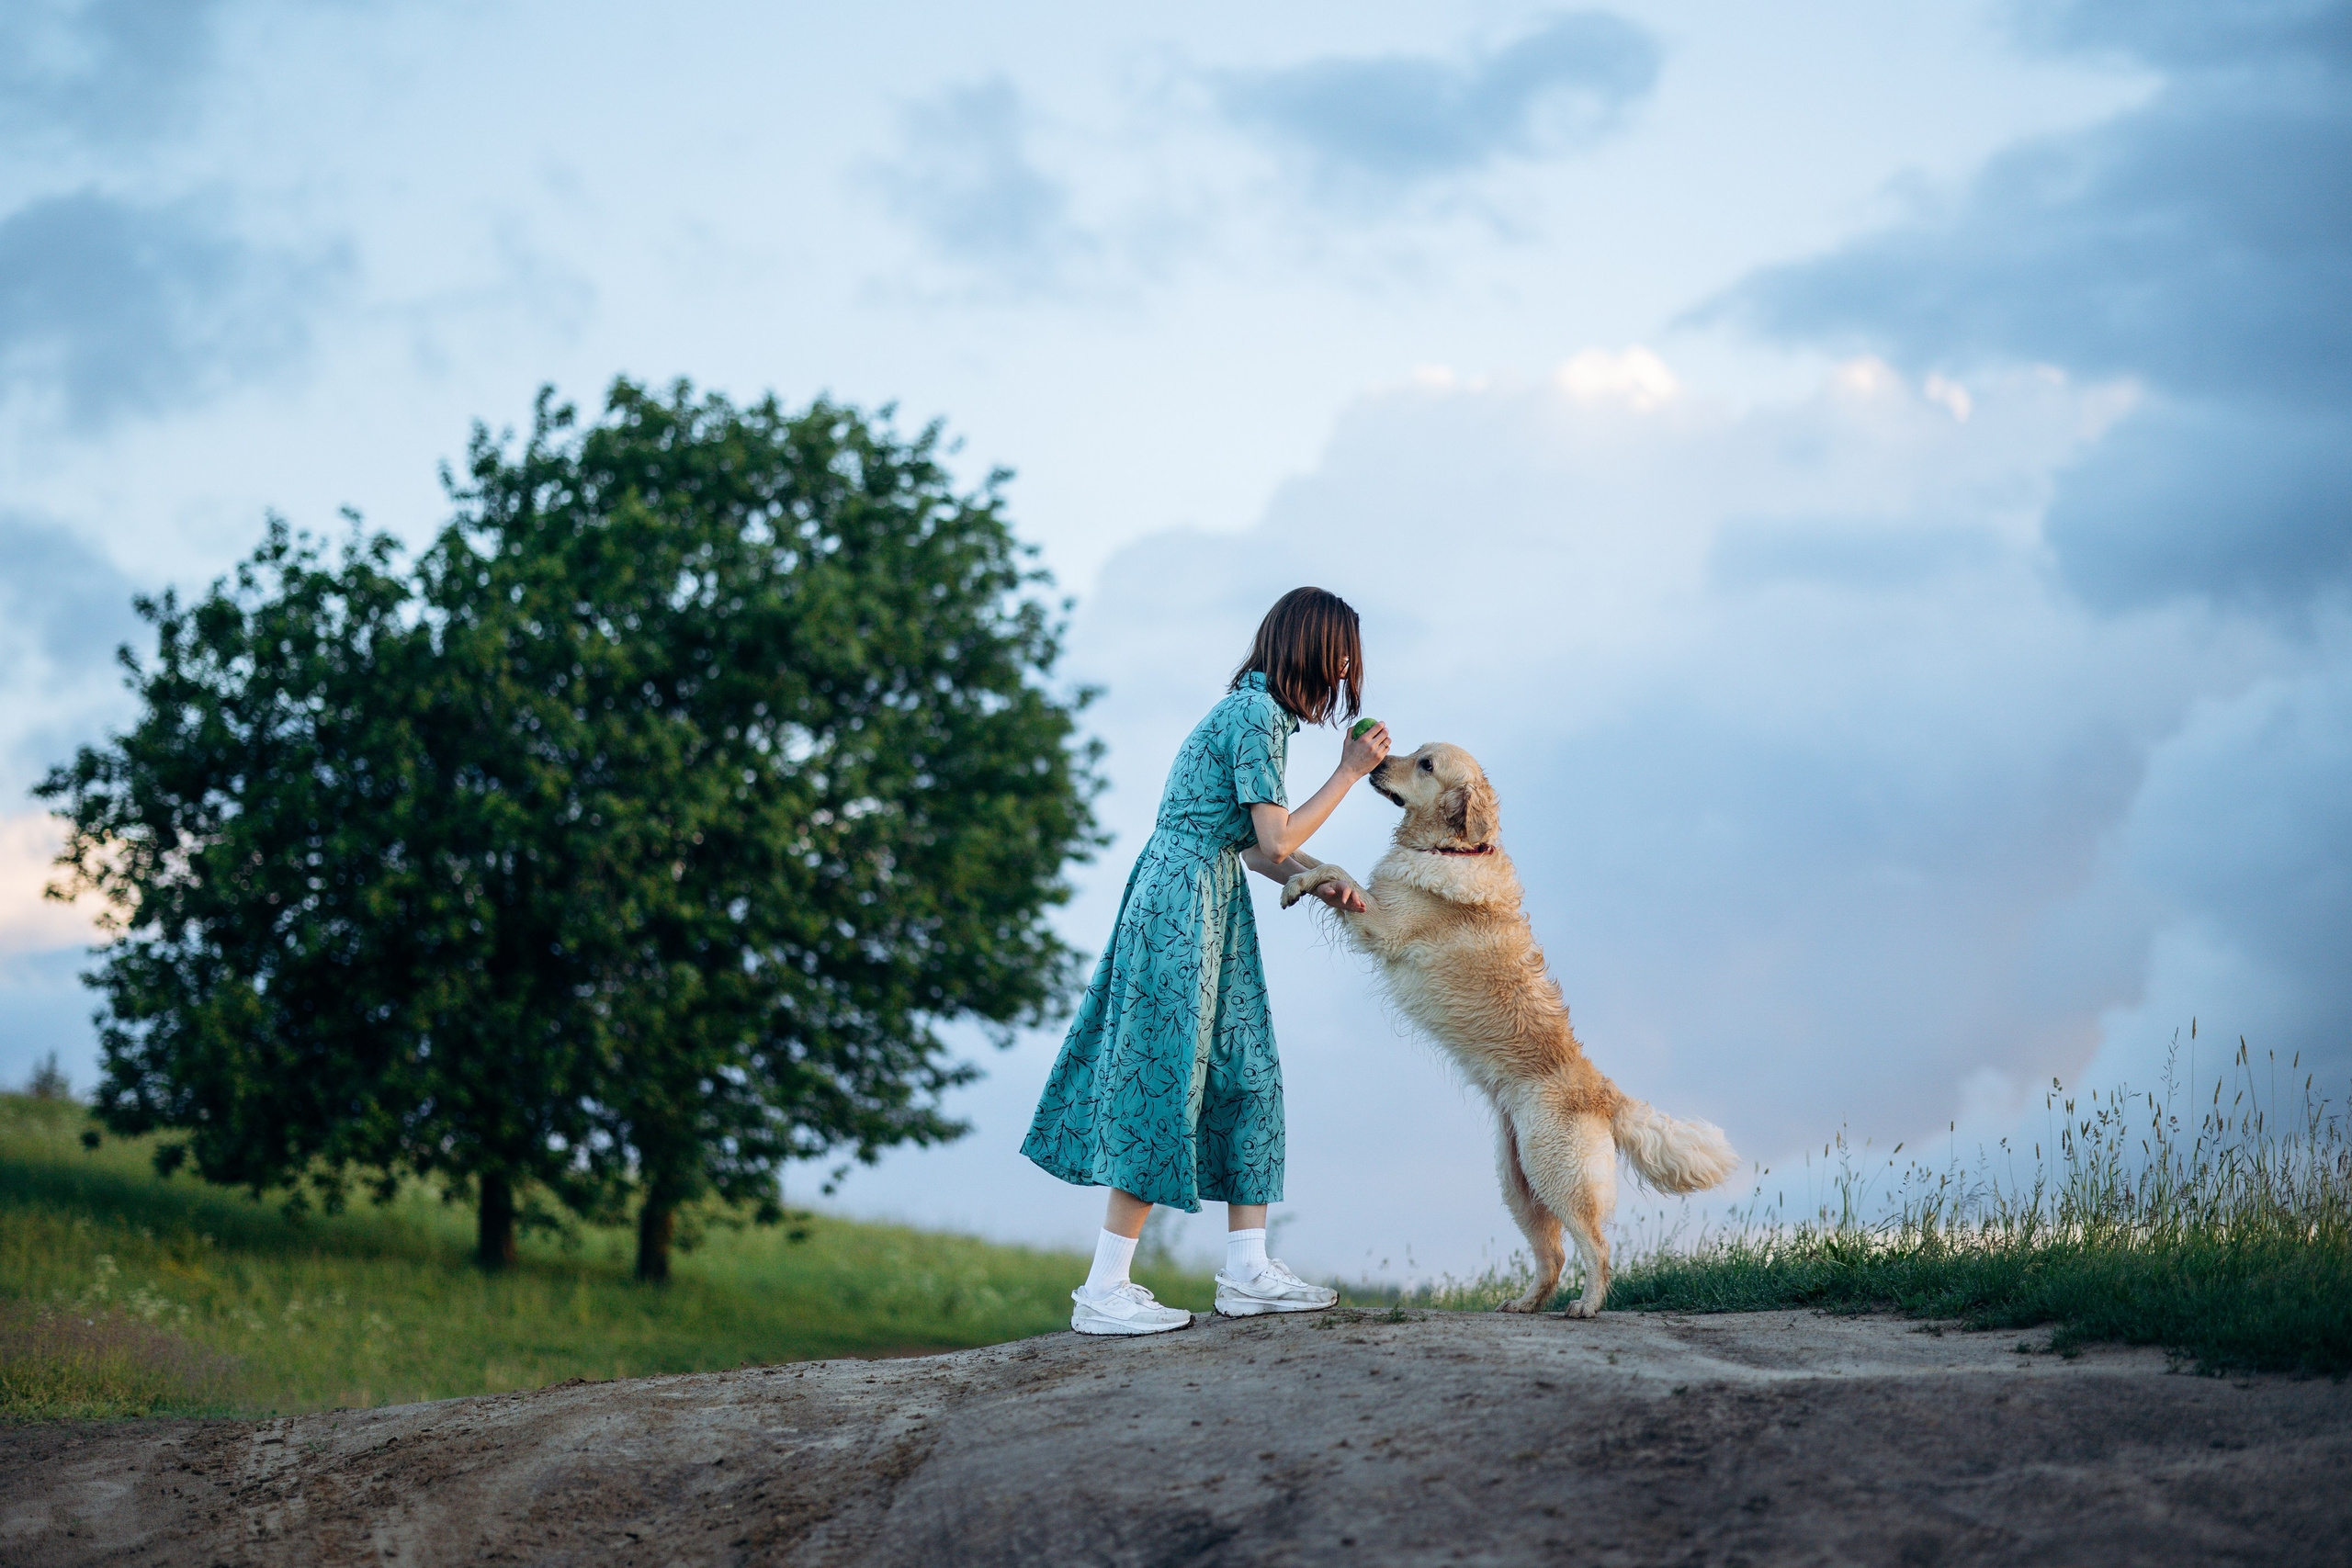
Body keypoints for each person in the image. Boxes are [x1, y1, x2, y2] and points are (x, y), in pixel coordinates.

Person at [1021, 587, 1392, 1334]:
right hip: (1180, 904)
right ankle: (1103, 1288)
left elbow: (1257, 850)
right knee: (1166, 1077)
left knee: (1245, 1072)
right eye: (1342, 654)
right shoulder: (1255, 715)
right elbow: (1275, 839)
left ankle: (1248, 1270)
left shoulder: (1260, 715)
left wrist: (1323, 879)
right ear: (1310, 648)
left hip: (1213, 893)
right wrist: (1350, 773)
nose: (1347, 670)